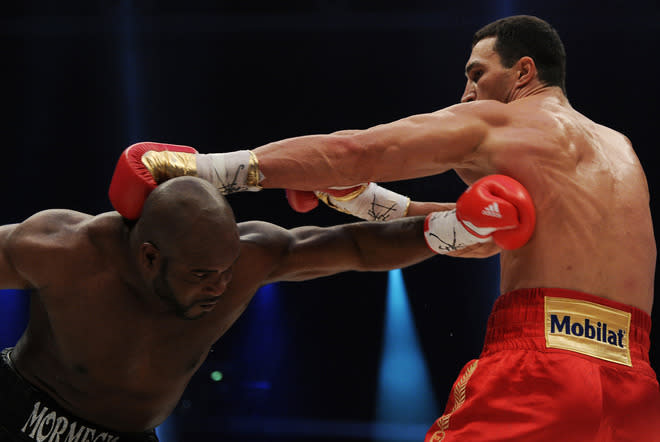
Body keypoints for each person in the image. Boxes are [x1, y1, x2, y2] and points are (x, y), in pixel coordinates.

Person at [121, 14, 660, 441]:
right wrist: (368, 203)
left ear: (523, 72)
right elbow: (480, 235)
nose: (468, 92)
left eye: (477, 73)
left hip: (538, 367)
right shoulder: (621, 150)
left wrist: (195, 169)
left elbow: (353, 151)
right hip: (633, 384)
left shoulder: (499, 120)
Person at [0, 168, 534, 441]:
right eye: (202, 274)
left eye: (226, 270)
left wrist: (456, 227)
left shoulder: (247, 262)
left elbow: (351, 247)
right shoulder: (62, 249)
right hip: (17, 406)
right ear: (147, 256)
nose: (219, 287)